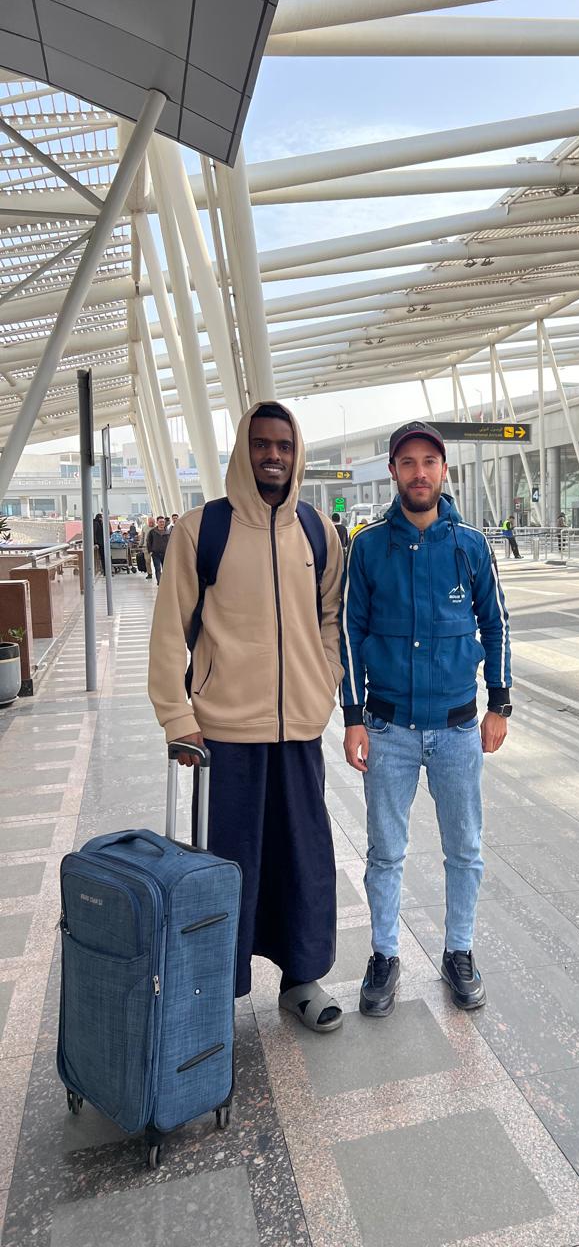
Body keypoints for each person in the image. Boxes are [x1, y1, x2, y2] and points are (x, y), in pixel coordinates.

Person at [148, 401, 346, 1031]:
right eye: (262, 444)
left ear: (296, 453)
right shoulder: (201, 530)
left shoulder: (316, 530)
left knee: (302, 861)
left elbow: (332, 618)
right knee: (228, 868)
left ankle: (301, 978)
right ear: (244, 450)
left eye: (284, 446)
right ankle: (214, 991)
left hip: (299, 732)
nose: (273, 456)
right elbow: (168, 631)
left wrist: (325, 680)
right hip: (227, 734)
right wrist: (177, 716)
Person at [340, 420, 511, 1017]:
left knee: (464, 849)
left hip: (458, 728)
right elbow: (349, 633)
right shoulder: (367, 546)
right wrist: (353, 716)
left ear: (444, 470)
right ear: (393, 472)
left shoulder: (470, 545)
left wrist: (499, 703)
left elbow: (497, 623)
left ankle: (459, 951)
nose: (419, 473)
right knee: (385, 852)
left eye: (429, 462)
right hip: (387, 729)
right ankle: (384, 955)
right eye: (408, 463)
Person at [145, 515, 170, 583]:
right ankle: (159, 582)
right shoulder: (152, 532)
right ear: (157, 522)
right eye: (160, 522)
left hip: (165, 553)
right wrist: (150, 551)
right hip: (155, 553)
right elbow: (149, 541)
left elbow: (171, 542)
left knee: (165, 569)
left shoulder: (168, 532)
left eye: (163, 522)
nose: (162, 523)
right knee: (157, 568)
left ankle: (165, 582)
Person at [93, 512, 105, 576]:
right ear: (99, 518)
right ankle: (105, 571)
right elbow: (94, 533)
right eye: (101, 518)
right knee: (103, 557)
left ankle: (105, 571)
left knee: (103, 557)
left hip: (101, 543)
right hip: (99, 544)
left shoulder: (98, 523)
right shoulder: (96, 523)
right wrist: (96, 543)